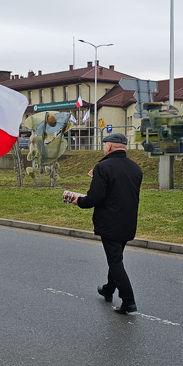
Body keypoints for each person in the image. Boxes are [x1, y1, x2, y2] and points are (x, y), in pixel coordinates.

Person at [66, 132, 143, 314]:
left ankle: (128, 301)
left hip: (110, 222)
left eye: (104, 145)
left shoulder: (103, 167)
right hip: (128, 221)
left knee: (115, 261)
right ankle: (109, 289)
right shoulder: (135, 168)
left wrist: (80, 201)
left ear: (109, 147)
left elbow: (96, 198)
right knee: (116, 257)